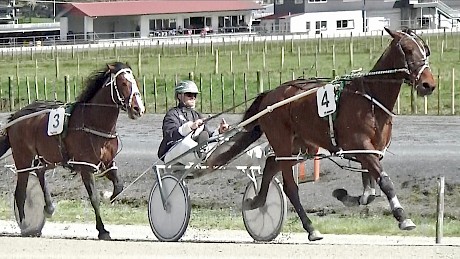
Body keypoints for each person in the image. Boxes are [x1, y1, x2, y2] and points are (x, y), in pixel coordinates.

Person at [158, 80, 229, 165]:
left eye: (194, 95)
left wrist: (220, 131)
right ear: (179, 96)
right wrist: (190, 127)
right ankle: (201, 153)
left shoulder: (197, 115)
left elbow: (207, 135)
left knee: (216, 141)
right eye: (189, 95)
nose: (193, 98)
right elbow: (170, 134)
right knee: (187, 144)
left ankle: (204, 153)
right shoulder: (172, 114)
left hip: (192, 151)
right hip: (172, 152)